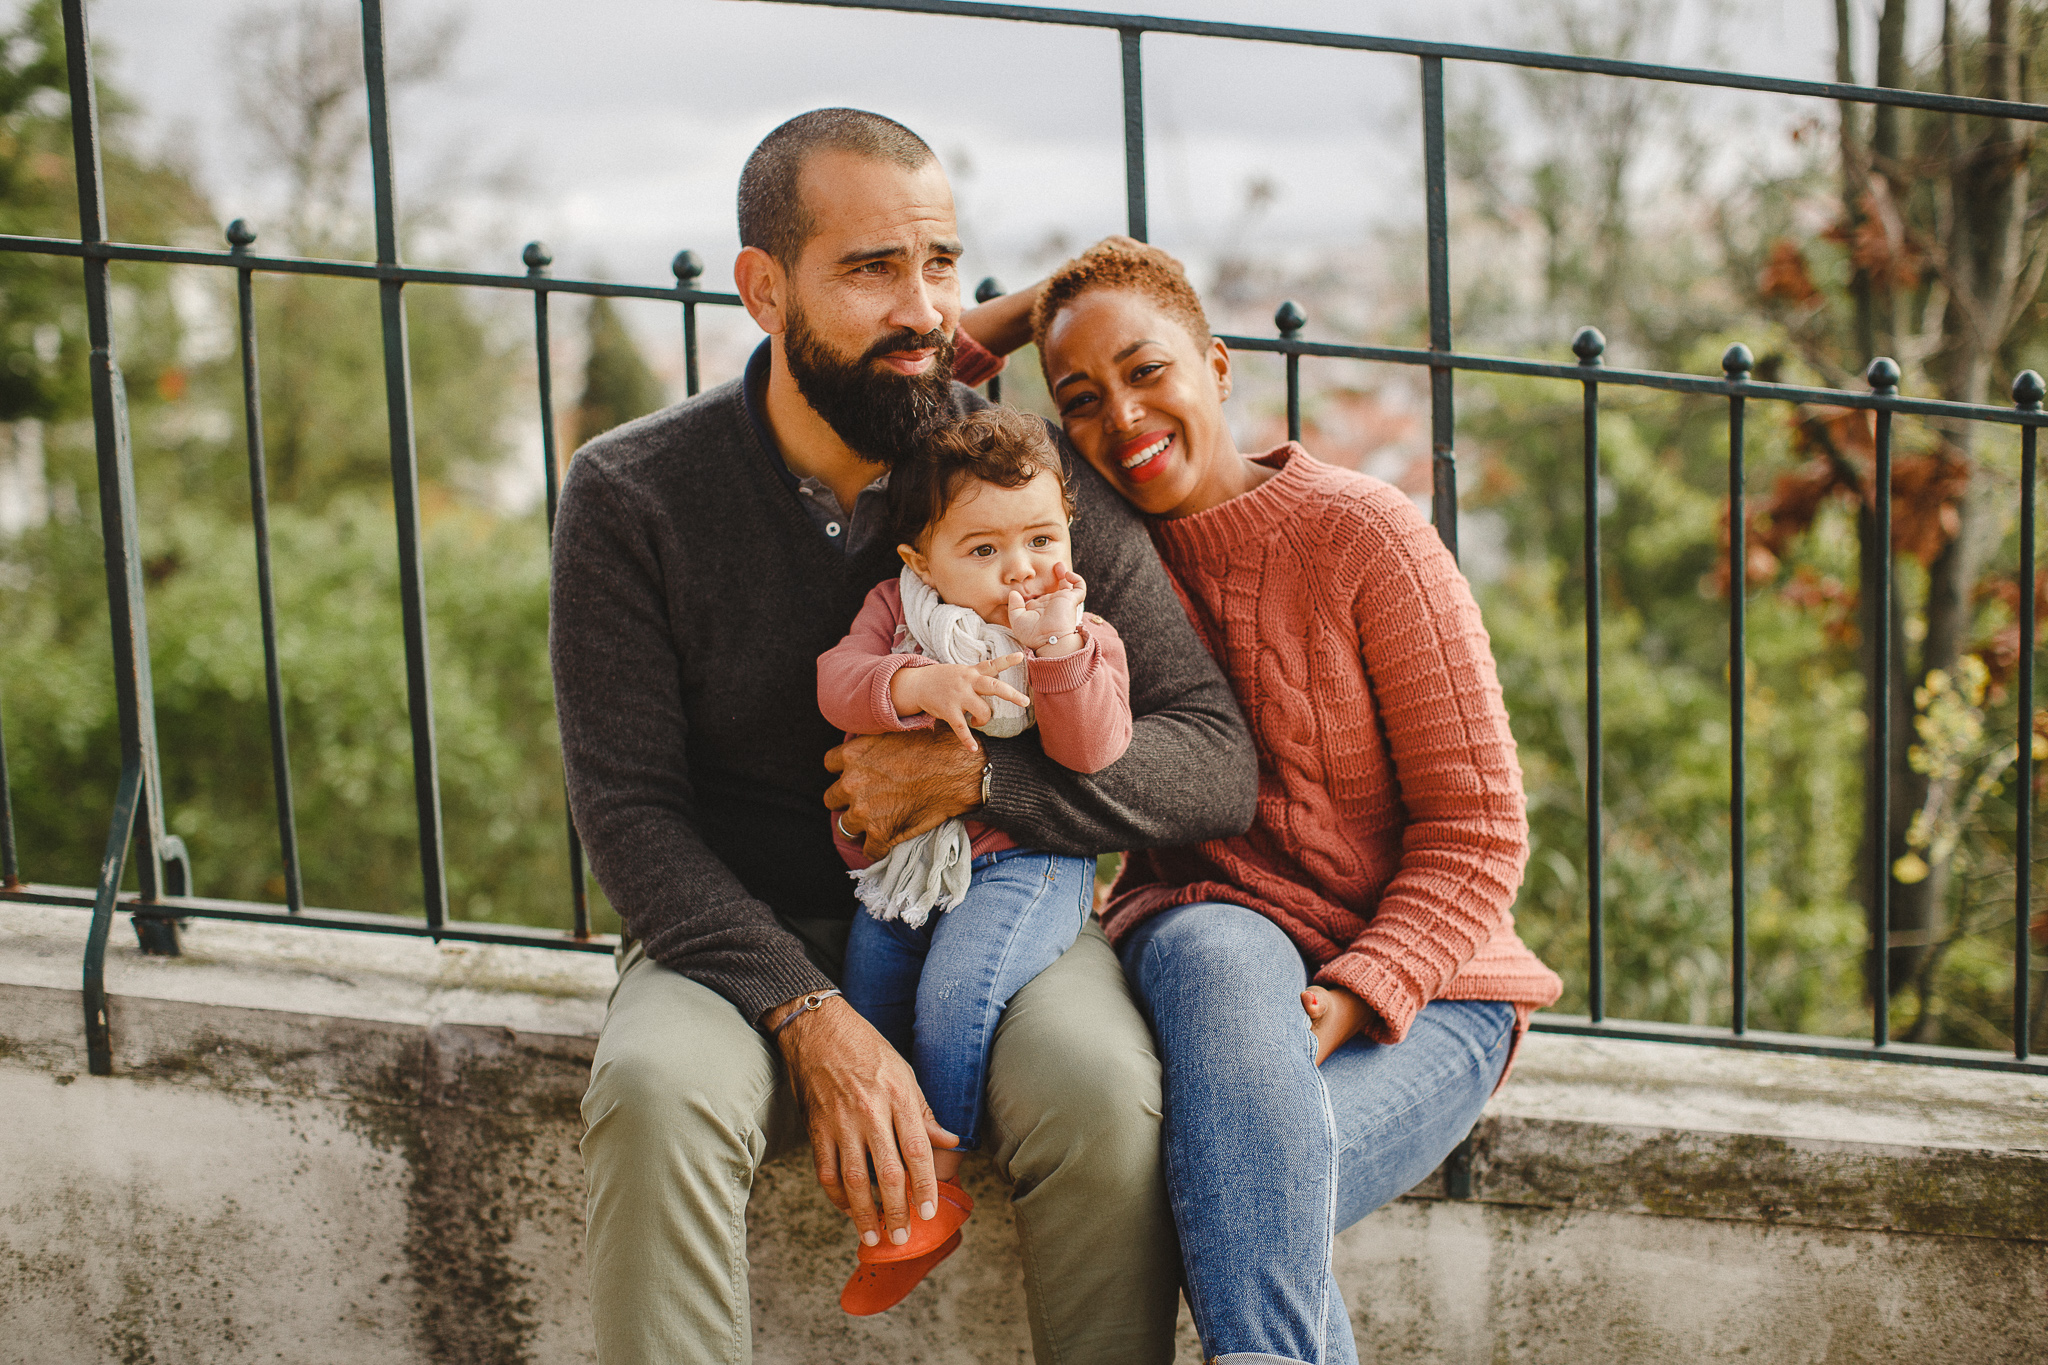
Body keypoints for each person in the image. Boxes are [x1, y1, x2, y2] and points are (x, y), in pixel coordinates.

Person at [549, 111, 1256, 1365]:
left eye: (941, 263)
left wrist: (982, 776)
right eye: (872, 268)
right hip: (733, 940)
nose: (924, 307)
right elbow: (629, 812)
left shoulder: (1013, 472)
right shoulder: (632, 494)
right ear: (764, 289)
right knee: (652, 1095)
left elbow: (1208, 752)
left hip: (993, 903)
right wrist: (809, 1018)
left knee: (1104, 1096)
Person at [1032, 238, 1564, 1365]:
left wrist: (1358, 991)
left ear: (1217, 367)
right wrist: (1027, 304)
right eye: (1079, 400)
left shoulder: (1365, 533)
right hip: (1210, 964)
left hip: (1426, 994)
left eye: (1144, 370)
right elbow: (928, 423)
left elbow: (1478, 831)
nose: (1120, 414)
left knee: (1230, 1197)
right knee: (1216, 944)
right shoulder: (1091, 568)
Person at [819, 406, 1131, 1315]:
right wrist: (913, 684)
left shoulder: (1081, 634)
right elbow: (834, 681)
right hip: (915, 859)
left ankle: (935, 1185)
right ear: (922, 562)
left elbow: (1090, 752)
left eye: (1041, 538)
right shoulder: (899, 615)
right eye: (983, 550)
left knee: (957, 991)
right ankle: (889, 1164)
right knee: (872, 978)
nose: (1021, 568)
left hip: (1033, 861)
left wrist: (1059, 649)